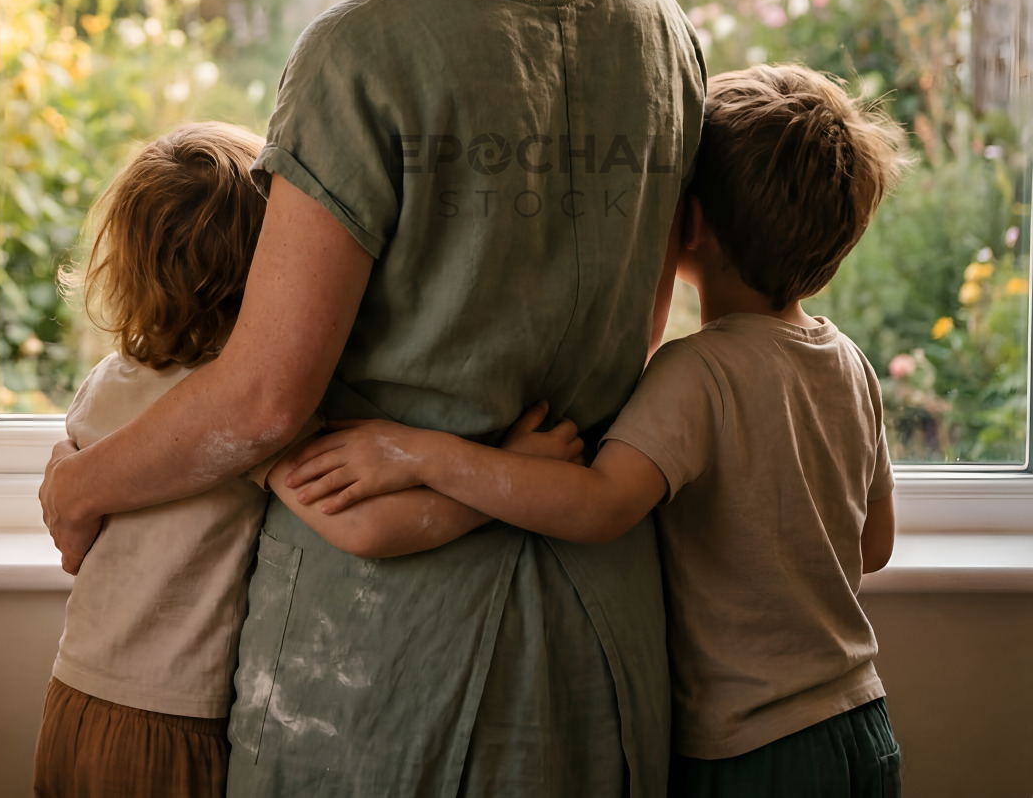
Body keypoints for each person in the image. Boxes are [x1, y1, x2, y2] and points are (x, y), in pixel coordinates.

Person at [40, 0, 707, 797]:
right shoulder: (657, 27)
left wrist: (82, 480)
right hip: (602, 644)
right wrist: (487, 481)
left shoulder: (363, 53)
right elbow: (636, 345)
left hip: (382, 662)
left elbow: (259, 397)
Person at [281, 63, 907, 797]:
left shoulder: (698, 372)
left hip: (754, 750)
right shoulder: (847, 361)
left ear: (690, 223)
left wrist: (423, 452)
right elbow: (873, 543)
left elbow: (600, 505)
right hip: (861, 721)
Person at [34, 123, 587, 798]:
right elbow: (365, 528)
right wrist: (502, 475)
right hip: (170, 721)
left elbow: (72, 538)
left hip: (73, 698)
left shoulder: (107, 384)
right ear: (270, 272)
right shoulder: (237, 411)